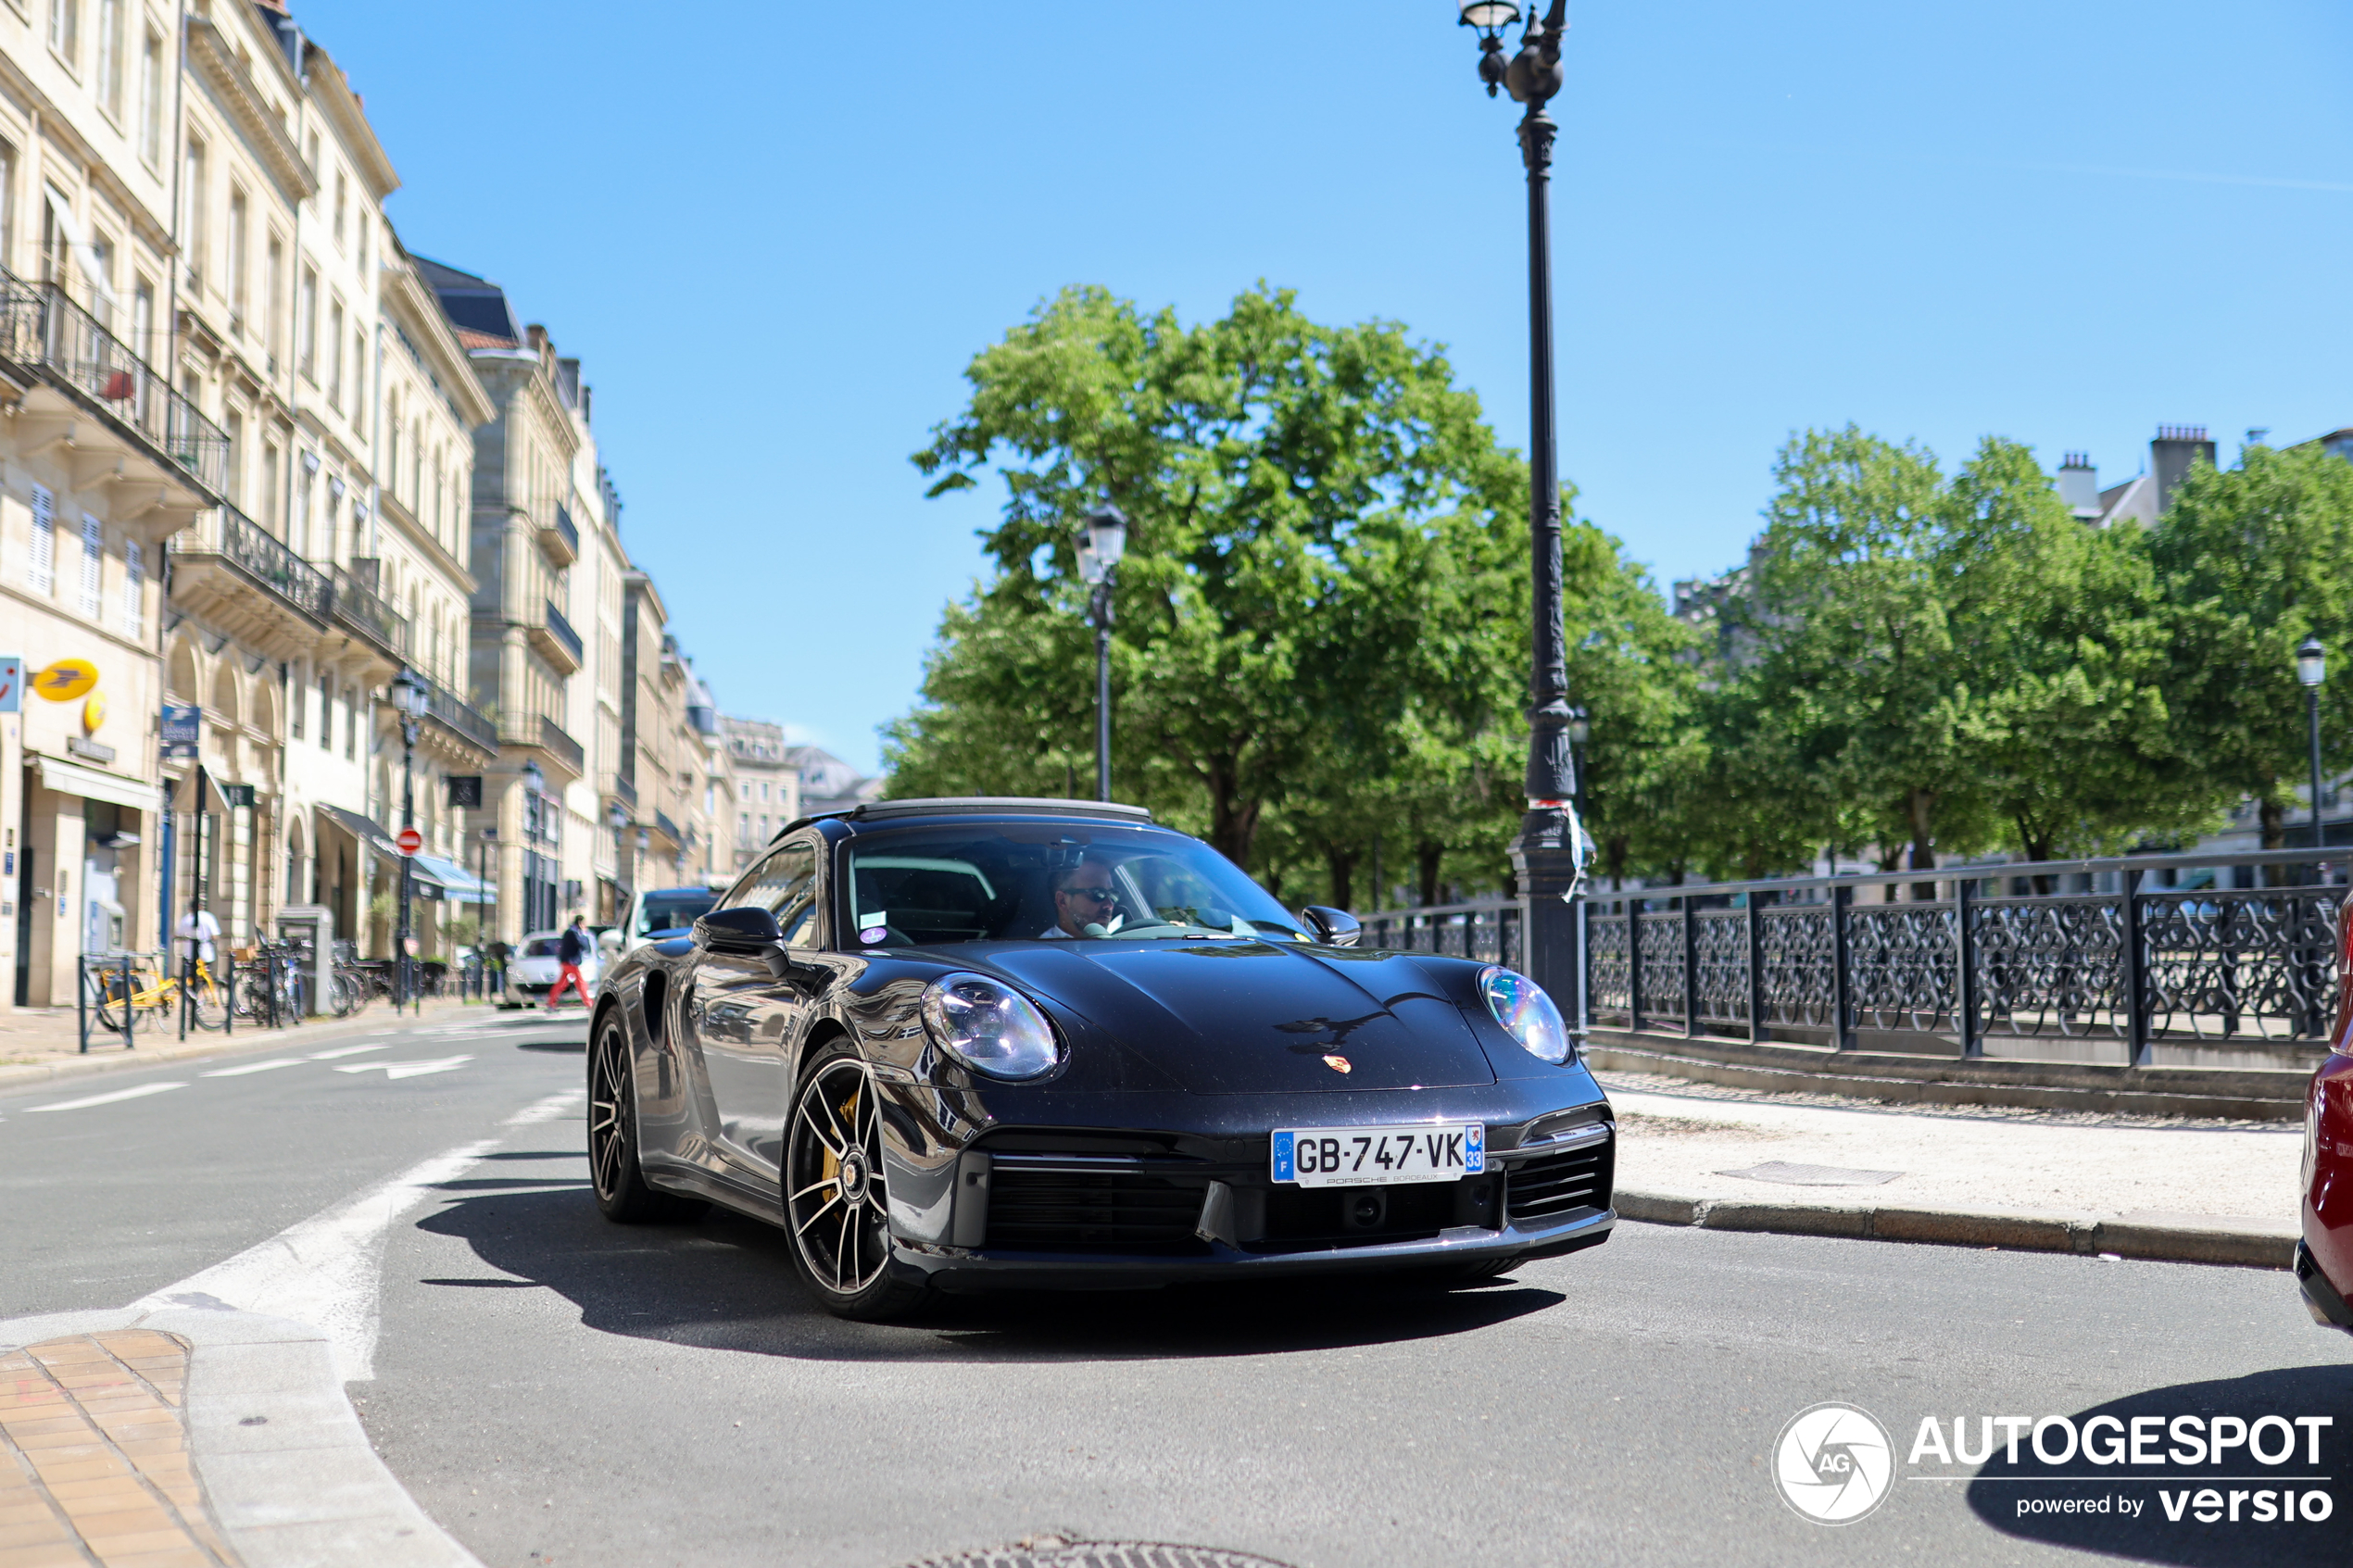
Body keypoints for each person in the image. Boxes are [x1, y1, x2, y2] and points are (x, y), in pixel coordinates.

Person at [1041, 859, 1122, 939]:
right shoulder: (1044, 950)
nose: (1109, 905)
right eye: (1097, 894)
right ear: (1063, 901)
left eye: (1112, 894)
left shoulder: (1120, 941)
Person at [548, 914, 592, 1009]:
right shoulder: (574, 933)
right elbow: (583, 945)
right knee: (580, 983)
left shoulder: (570, 931)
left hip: (567, 961)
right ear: (580, 923)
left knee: (562, 983)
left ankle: (551, 1002)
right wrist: (584, 934)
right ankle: (588, 1003)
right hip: (571, 962)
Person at [173, 906, 221, 972]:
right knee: (205, 976)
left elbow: (177, 935)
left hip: (189, 954)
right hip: (205, 953)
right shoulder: (208, 917)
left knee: (189, 975)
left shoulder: (186, 919)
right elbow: (215, 936)